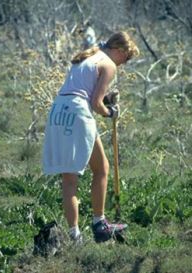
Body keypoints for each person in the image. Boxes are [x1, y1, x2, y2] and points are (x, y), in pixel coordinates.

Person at [43, 31, 139, 243]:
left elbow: (84, 89)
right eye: (127, 57)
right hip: (78, 112)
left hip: (59, 109)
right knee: (91, 172)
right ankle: (98, 223)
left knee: (80, 174)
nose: (126, 63)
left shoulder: (88, 56)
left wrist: (105, 98)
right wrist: (111, 112)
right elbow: (96, 104)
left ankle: (78, 234)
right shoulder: (109, 64)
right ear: (119, 50)